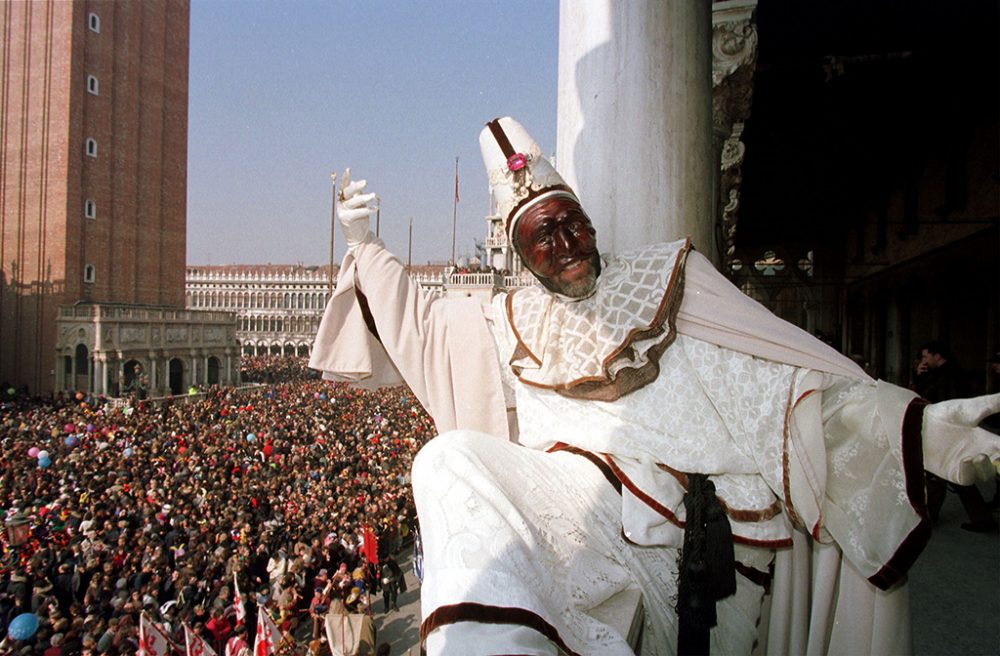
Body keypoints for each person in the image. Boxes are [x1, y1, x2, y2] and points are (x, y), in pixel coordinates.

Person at [310, 117, 1000, 655]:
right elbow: (422, 327)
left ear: (589, 220)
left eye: (570, 223)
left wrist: (919, 429)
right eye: (541, 237)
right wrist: (365, 244)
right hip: (572, 506)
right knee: (443, 458)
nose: (566, 243)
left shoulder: (670, 281)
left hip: (685, 526)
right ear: (520, 257)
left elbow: (780, 385)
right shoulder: (506, 319)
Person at [914, 341, 998, 532]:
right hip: (948, 429)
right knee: (952, 473)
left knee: (940, 472)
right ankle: (980, 518)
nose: (924, 360)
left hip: (946, 430)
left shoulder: (948, 375)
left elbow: (931, 398)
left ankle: (929, 516)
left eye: (927, 356)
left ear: (938, 356)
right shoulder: (944, 373)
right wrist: (919, 376)